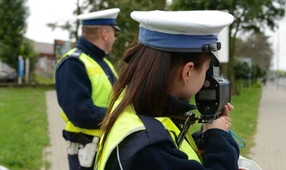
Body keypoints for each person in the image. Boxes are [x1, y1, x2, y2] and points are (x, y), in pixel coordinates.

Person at [95, 10, 240, 170]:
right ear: (187, 71)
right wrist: (219, 138)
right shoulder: (150, 149)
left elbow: (173, 152)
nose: (207, 78)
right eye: (206, 70)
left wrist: (207, 135)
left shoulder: (131, 108)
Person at [54, 8, 120, 170]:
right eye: (113, 33)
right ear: (105, 33)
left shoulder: (104, 63)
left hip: (104, 147)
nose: (114, 38)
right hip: (87, 153)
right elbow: (79, 112)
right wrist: (119, 116)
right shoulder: (72, 63)